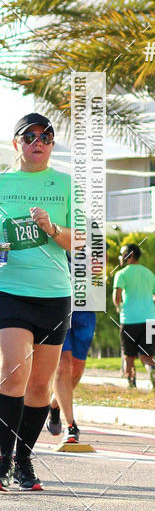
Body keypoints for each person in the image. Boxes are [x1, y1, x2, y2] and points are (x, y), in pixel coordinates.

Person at [0, 113, 73, 491]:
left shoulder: (64, 183)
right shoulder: (2, 184)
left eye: (46, 136)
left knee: (41, 388)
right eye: (29, 136)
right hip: (9, 290)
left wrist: (52, 228)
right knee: (14, 372)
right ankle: (1, 459)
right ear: (17, 143)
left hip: (54, 294)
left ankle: (23, 459)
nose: (38, 141)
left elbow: (80, 241)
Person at [112, 243, 155, 389]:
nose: (120, 257)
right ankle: (154, 380)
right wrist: (147, 304)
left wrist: (119, 307)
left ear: (130, 255)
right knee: (147, 356)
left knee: (129, 357)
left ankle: (132, 385)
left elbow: (117, 298)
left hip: (129, 320)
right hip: (150, 320)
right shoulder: (149, 273)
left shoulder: (121, 274)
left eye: (122, 253)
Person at [46, 308, 96, 444]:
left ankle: (55, 403)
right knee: (62, 364)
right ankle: (71, 426)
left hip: (85, 308)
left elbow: (99, 285)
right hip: (57, 302)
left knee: (76, 370)